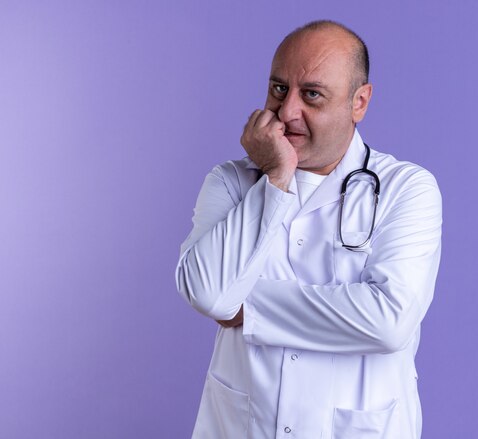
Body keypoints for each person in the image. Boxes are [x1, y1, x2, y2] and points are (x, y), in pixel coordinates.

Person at [175, 19, 442, 439]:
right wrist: (276, 177)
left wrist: (247, 307)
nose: (286, 112)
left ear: (359, 102)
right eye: (279, 89)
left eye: (312, 94)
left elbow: (389, 321)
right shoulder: (230, 181)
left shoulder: (406, 188)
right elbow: (208, 292)